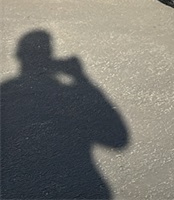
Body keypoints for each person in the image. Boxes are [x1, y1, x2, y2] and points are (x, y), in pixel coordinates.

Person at [1, 30, 129, 199]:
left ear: (19, 56)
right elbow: (118, 138)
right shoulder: (69, 95)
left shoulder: (6, 92)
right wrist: (82, 80)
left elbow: (118, 139)